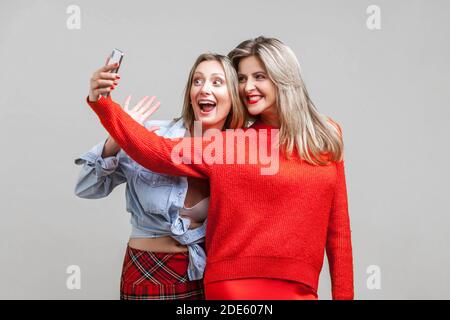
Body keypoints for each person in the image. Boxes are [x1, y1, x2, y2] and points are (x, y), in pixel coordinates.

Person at [85, 36, 354, 300]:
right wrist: (104, 104)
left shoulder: (326, 134)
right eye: (241, 79)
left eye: (259, 76)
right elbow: (155, 151)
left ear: (283, 77)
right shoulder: (231, 143)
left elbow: (338, 228)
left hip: (300, 286)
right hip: (233, 287)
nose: (248, 87)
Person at [74, 53, 245, 300]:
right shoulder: (154, 135)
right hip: (146, 275)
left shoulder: (242, 151)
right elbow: (86, 187)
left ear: (233, 96)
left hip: (207, 276)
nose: (204, 89)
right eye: (197, 81)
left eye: (217, 82)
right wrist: (120, 134)